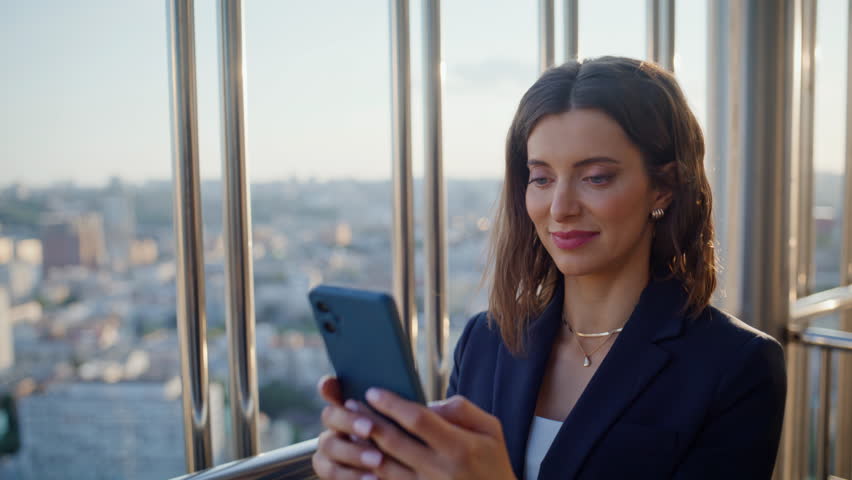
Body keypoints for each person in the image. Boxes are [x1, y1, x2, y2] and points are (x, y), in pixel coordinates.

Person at [311, 56, 787, 479]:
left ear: (663, 188)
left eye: (596, 177)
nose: (560, 207)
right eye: (541, 177)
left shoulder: (736, 367)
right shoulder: (487, 341)